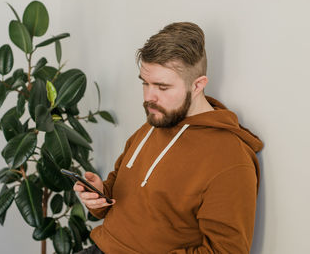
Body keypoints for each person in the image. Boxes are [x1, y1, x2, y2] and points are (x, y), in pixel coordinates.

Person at [74, 22, 263, 254]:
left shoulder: (230, 160)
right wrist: (100, 195)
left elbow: (226, 251)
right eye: (145, 83)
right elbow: (122, 190)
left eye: (162, 87)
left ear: (197, 85)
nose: (149, 97)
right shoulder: (157, 122)